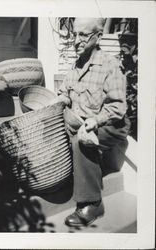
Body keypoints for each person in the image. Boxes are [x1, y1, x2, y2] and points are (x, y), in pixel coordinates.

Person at [54, 18, 131, 226]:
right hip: (82, 120)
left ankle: (92, 204)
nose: (77, 40)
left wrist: (95, 122)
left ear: (97, 37)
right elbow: (65, 92)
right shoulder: (77, 64)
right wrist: (62, 98)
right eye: (75, 35)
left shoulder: (110, 65)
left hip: (111, 124)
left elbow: (117, 108)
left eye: (83, 35)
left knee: (82, 140)